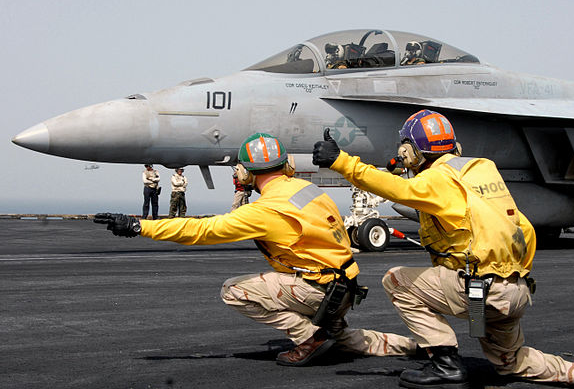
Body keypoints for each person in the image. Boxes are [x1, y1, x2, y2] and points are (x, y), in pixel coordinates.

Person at [312, 109, 574, 389]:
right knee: (511, 362)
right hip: (513, 291)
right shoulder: (482, 170)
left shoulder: (438, 179)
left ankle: (446, 366)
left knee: (396, 281)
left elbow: (400, 190)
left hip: (480, 292)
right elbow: (526, 229)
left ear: (411, 150)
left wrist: (342, 161)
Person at [95, 132, 417, 367]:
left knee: (232, 290)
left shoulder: (265, 210)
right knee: (345, 341)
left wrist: (141, 226)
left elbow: (201, 231)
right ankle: (419, 346)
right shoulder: (307, 188)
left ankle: (308, 337)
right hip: (344, 291)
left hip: (316, 292)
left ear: (247, 172)